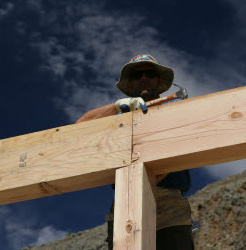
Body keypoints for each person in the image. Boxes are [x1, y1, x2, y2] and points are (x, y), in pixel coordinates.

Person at [76, 54, 193, 250]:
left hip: (170, 206)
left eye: (150, 74)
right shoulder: (117, 120)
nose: (144, 78)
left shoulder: (176, 114)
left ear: (160, 81)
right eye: (137, 75)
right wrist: (115, 108)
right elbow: (79, 127)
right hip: (126, 202)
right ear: (129, 86)